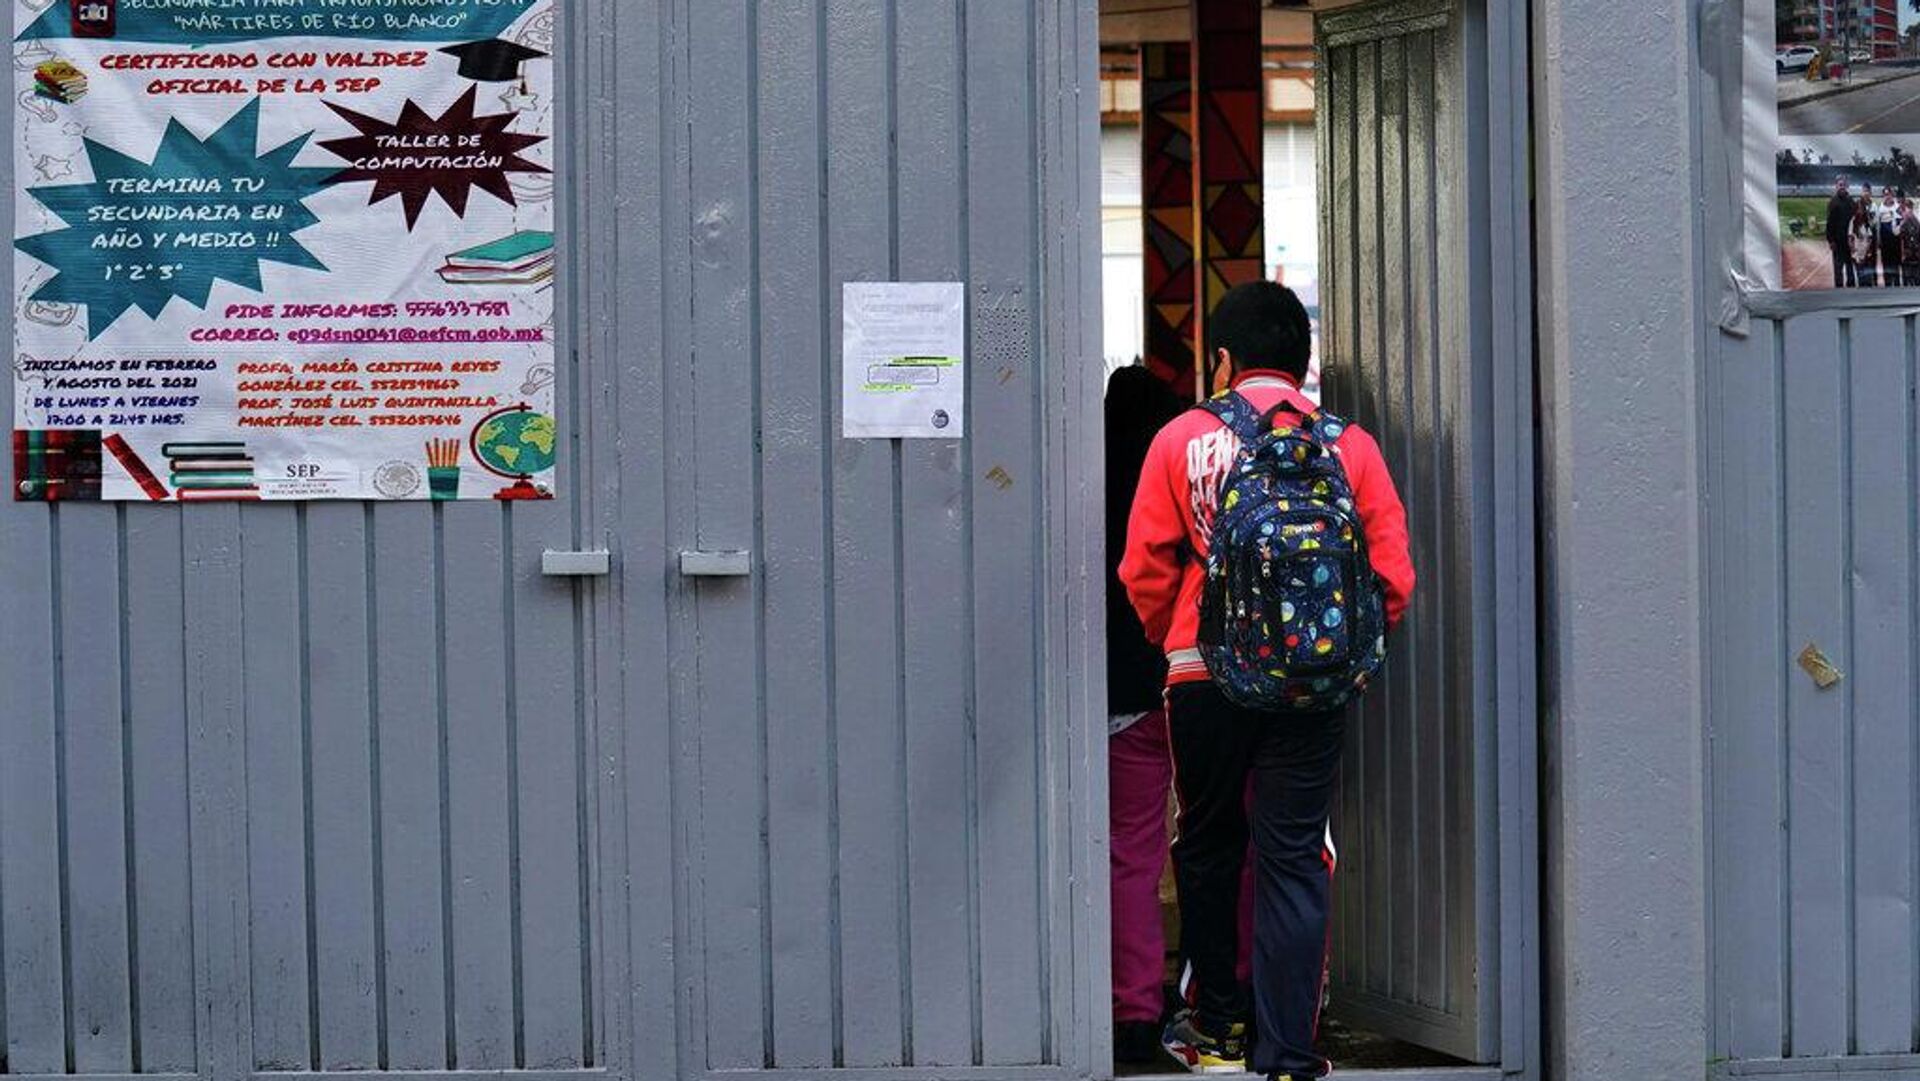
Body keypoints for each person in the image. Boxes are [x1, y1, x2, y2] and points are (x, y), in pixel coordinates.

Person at [1121, 282, 1415, 1081]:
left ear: (1223, 359)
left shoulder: (1181, 437)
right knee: (1291, 853)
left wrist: (1176, 642)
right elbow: (1393, 574)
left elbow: (1144, 566)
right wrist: (1338, 657)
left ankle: (1215, 1035)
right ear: (1305, 360)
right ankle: (1288, 1050)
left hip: (1203, 675)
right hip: (1312, 685)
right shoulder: (1348, 445)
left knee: (1210, 846)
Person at [1103, 364, 1189, 1065]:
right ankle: (1219, 996)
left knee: (1132, 851)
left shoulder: (1084, 475)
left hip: (1120, 696)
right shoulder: (1179, 474)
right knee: (1218, 839)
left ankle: (1135, 1008)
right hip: (1192, 679)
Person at [1827, 179, 1856, 289]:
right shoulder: (1833, 202)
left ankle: (1851, 288)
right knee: (1838, 268)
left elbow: (1855, 220)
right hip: (1837, 241)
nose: (1842, 187)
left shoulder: (1851, 201)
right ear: (1836, 186)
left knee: (1850, 266)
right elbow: (1829, 223)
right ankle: (1838, 290)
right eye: (1840, 185)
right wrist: (1830, 240)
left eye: (1844, 185)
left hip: (1849, 240)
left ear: (1847, 186)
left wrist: (1854, 239)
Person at [1877, 186, 1902, 287]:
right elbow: (1878, 227)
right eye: (1885, 195)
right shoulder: (1880, 209)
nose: (1887, 197)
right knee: (1886, 264)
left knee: (1895, 264)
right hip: (1885, 242)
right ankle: (1887, 285)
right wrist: (1879, 241)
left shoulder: (1897, 208)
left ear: (1892, 195)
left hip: (1896, 242)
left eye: (1889, 194)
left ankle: (1896, 284)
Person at [1851, 202, 1878, 288]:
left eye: (1862, 209)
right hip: (1857, 251)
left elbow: (1870, 237)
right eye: (1858, 209)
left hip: (1866, 251)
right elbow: (1850, 237)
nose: (1860, 211)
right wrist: (1853, 250)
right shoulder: (1853, 222)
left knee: (1867, 275)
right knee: (1860, 275)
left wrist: (1868, 250)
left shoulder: (1867, 223)